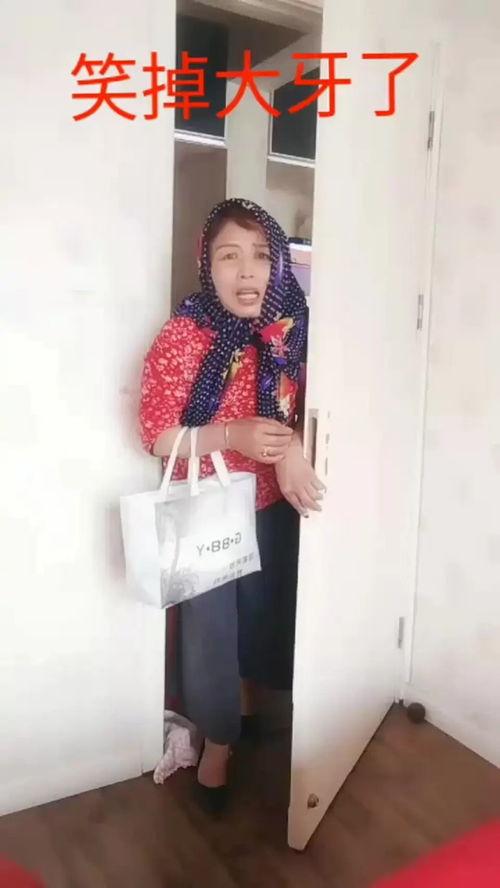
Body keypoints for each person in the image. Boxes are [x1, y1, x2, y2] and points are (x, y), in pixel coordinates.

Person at [139, 197, 325, 812]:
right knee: (211, 633)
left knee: (265, 612)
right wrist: (232, 435)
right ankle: (218, 742)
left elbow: (310, 410)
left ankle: (248, 707)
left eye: (261, 255)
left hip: (271, 502)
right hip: (208, 506)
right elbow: (157, 434)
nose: (247, 271)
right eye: (229, 256)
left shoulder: (292, 334)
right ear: (207, 265)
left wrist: (291, 446)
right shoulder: (184, 335)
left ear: (279, 265)